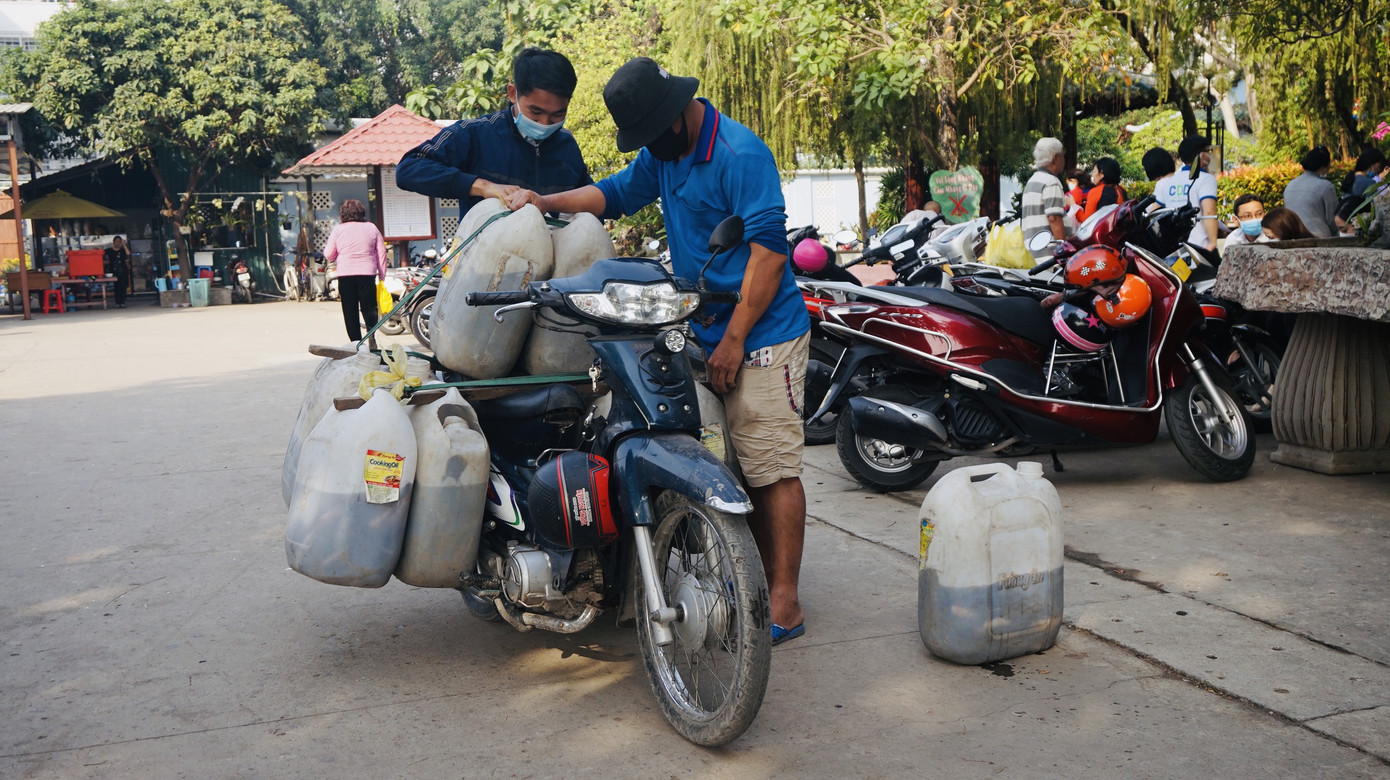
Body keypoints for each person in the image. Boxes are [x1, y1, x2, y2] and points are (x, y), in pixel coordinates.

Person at [506, 57, 812, 645]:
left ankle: (785, 602)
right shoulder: (664, 152)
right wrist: (544, 203)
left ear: (674, 116)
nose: (647, 147)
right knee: (729, 461)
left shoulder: (740, 155)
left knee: (771, 468)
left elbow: (771, 256)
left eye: (650, 134)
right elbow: (613, 194)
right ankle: (750, 579)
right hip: (703, 327)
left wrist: (734, 340)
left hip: (763, 334)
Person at [395, 48, 592, 214]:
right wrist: (482, 186)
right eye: (535, 112)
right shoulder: (475, 134)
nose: (544, 123)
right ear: (513, 93)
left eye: (558, 114)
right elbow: (409, 168)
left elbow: (590, 198)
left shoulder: (566, 145)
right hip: (487, 247)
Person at [323, 199, 387, 343]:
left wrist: (336, 255)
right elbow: (381, 252)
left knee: (349, 310)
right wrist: (382, 274)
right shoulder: (372, 228)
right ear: (362, 212)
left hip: (346, 274)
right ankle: (371, 334)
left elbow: (329, 254)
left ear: (343, 214)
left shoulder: (338, 230)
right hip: (367, 273)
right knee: (369, 307)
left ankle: (356, 342)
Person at [1155, 136, 1219, 251]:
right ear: (1202, 155)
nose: (1210, 155)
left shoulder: (1168, 182)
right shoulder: (1206, 179)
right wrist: (1212, 242)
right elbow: (1209, 211)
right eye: (1208, 151)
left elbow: (1154, 211)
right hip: (1201, 246)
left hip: (1175, 247)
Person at [1022, 138, 1068, 259]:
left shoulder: (1032, 181)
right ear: (1055, 158)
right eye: (1062, 155)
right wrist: (1064, 251)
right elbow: (1054, 219)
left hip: (1033, 255)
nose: (1064, 160)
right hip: (1049, 255)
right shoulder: (1051, 182)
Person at [1282, 146, 1339, 238]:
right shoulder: (1326, 186)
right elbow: (1333, 221)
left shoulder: (1290, 185)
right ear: (1323, 167)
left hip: (1294, 237)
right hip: (1320, 238)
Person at [1078, 157, 1126, 223]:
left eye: (1094, 172)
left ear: (1102, 174)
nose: (1093, 175)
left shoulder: (1096, 191)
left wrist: (1074, 207)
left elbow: (1086, 221)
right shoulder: (1122, 190)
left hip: (1103, 228)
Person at [103, 235, 132, 308]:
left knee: (123, 286)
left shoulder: (122, 250)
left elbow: (128, 253)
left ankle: (122, 302)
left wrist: (124, 245)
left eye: (119, 241)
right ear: (113, 242)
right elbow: (102, 255)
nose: (118, 243)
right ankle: (117, 302)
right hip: (114, 271)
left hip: (123, 270)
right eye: (116, 241)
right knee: (117, 287)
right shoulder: (109, 250)